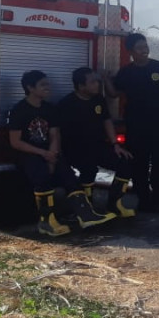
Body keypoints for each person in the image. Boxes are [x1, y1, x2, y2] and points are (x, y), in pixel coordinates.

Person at [6, 70, 115, 236]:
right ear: (30, 88)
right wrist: (43, 153)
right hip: (29, 154)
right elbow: (15, 142)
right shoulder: (19, 110)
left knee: (69, 176)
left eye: (47, 84)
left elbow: (55, 134)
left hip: (49, 152)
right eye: (43, 85)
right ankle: (46, 223)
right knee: (42, 177)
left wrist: (53, 154)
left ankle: (86, 216)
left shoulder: (49, 109)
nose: (48, 87)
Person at [109, 33, 159, 212]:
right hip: (135, 125)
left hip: (158, 123)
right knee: (139, 162)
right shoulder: (126, 72)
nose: (144, 50)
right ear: (131, 51)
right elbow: (114, 94)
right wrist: (105, 80)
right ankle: (143, 198)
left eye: (145, 46)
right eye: (140, 48)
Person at [58, 67, 137, 219]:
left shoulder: (98, 99)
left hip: (97, 146)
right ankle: (86, 207)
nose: (97, 85)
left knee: (125, 162)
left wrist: (115, 144)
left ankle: (115, 204)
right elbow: (57, 132)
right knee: (88, 168)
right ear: (81, 86)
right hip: (75, 149)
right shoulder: (67, 104)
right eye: (93, 82)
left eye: (97, 81)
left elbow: (107, 121)